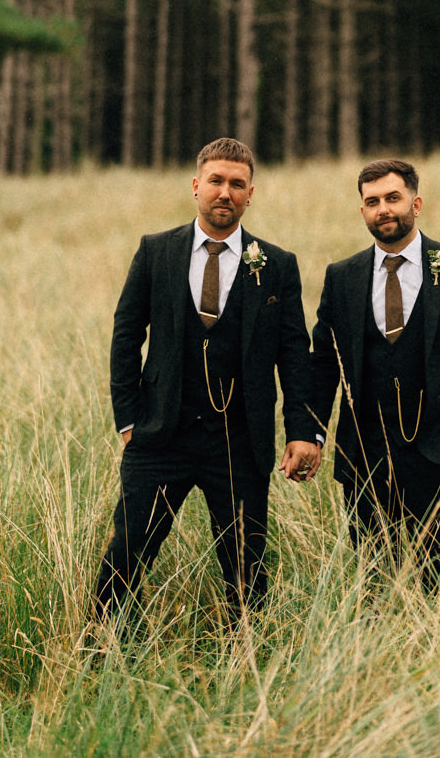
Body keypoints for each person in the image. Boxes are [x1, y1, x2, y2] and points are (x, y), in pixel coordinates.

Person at [93, 137, 321, 621]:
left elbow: (294, 352)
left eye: (237, 184)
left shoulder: (276, 264)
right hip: (160, 436)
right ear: (196, 186)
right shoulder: (157, 252)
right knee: (128, 552)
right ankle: (97, 650)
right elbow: (126, 333)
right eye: (216, 181)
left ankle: (247, 661)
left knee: (246, 568)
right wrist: (128, 419)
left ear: (250, 194)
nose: (226, 193)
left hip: (239, 440)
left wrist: (303, 430)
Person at [310, 157, 440, 585]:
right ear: (362, 211)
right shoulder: (341, 277)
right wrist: (313, 434)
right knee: (371, 583)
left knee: (439, 582)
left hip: (439, 451)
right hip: (364, 453)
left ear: (416, 204)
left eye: (393, 198)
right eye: (373, 201)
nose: (384, 209)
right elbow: (324, 361)